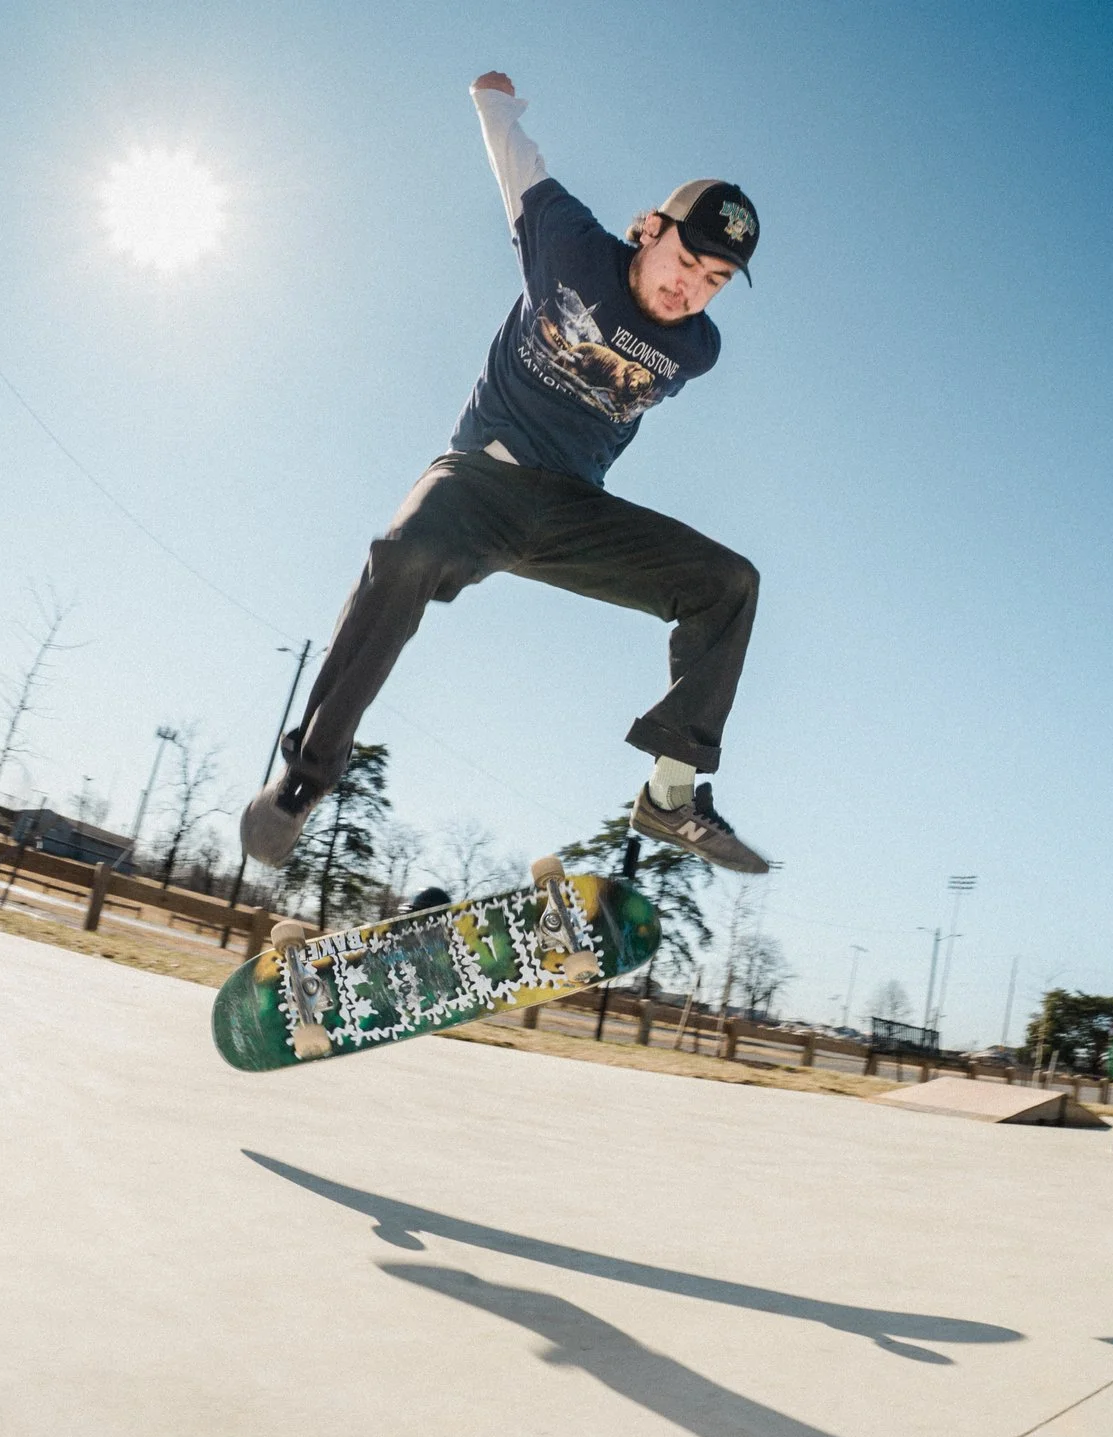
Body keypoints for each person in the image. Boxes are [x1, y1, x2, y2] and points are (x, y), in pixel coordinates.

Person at [241, 70, 770, 876]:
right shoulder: (566, 245)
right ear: (650, 230)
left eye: (713, 283)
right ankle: (302, 783)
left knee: (728, 583)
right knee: (404, 554)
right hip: (478, 480)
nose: (688, 291)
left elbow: (673, 320)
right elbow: (514, 163)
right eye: (684, 262)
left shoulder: (698, 349)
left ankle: (671, 797)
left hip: (571, 512)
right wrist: (495, 102)